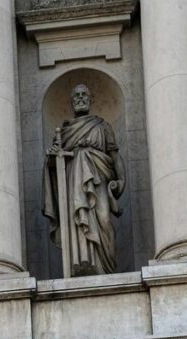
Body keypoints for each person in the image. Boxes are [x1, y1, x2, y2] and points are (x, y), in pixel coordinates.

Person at [43, 83, 126, 276]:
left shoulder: (102, 126)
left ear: (90, 99)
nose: (80, 98)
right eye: (76, 96)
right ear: (72, 102)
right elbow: (54, 167)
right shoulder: (64, 132)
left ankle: (106, 266)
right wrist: (52, 157)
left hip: (99, 178)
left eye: (84, 95)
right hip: (75, 181)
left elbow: (114, 155)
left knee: (104, 220)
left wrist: (121, 179)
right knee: (77, 220)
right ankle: (82, 262)